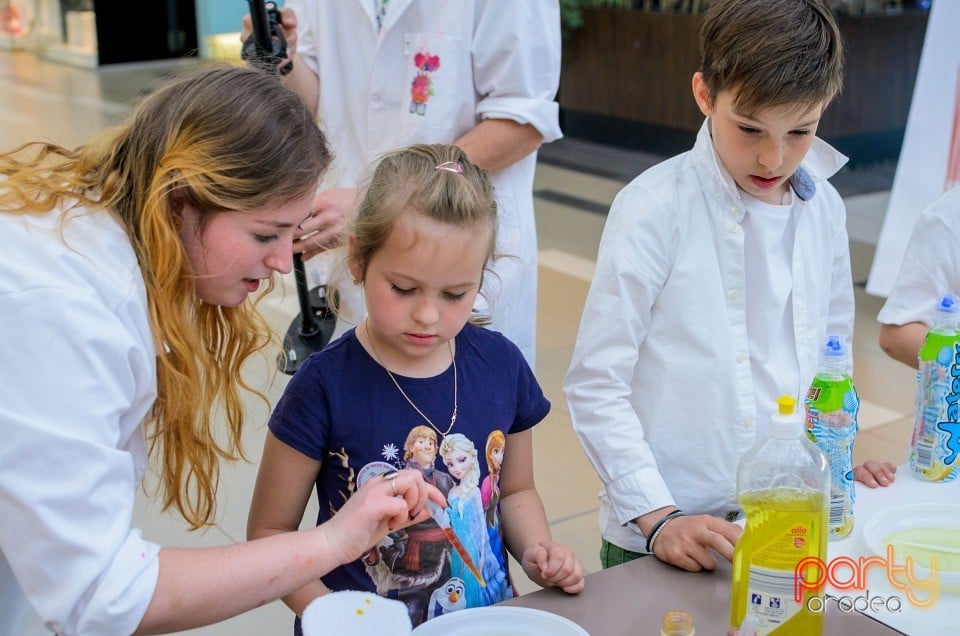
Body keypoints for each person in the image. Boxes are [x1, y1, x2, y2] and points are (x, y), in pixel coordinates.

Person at [0, 63, 443, 636]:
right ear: (179, 202)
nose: (285, 262)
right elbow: (103, 596)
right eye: (265, 234)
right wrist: (333, 540)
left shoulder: (94, 243)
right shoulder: (62, 310)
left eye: (293, 233)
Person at [563, 0, 855, 573]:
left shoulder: (826, 209)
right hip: (666, 528)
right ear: (704, 95)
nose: (774, 157)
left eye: (801, 131)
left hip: (785, 519)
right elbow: (597, 384)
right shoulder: (652, 209)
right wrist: (659, 516)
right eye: (749, 129)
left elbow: (833, 359)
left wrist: (842, 463)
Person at [246, 144, 584, 630]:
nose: (428, 315)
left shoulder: (501, 365)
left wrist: (538, 550)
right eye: (404, 289)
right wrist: (334, 616)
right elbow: (268, 532)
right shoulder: (321, 387)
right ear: (359, 259)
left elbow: (515, 490)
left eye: (456, 294)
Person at [240, 0, 562, 367]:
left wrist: (378, 202)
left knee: (464, 408)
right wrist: (282, 56)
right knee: (352, 405)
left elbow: (521, 122)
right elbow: (312, 101)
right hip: (352, 267)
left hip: (455, 256)